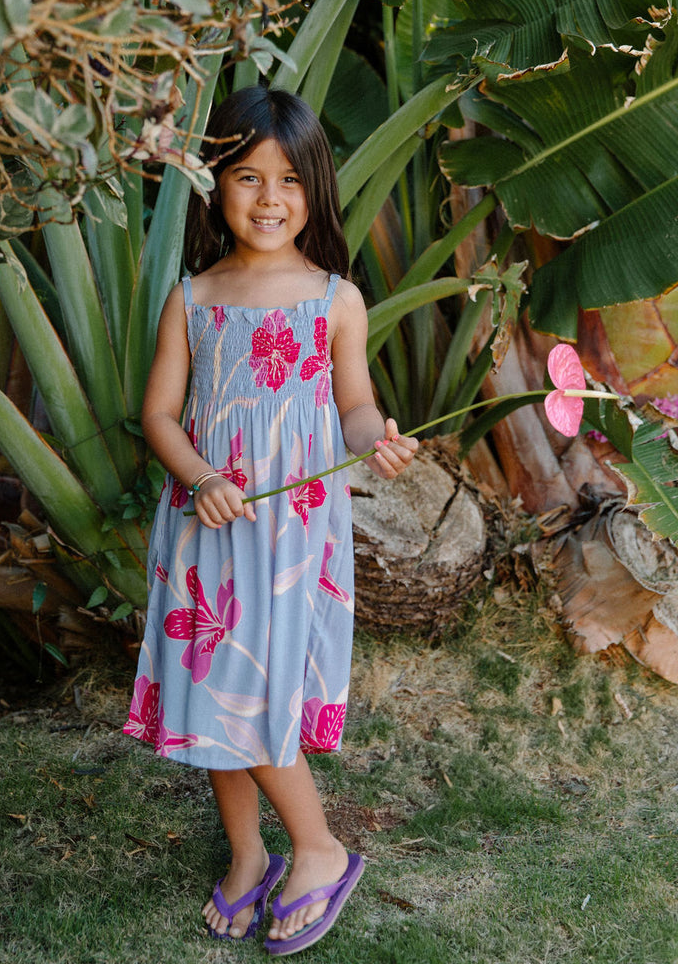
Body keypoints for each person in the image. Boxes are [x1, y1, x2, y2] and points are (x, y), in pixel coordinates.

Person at [124, 86, 417, 955]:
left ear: (314, 192)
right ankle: (252, 856)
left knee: (252, 694)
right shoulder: (195, 296)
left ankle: (320, 850)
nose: (268, 199)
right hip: (207, 528)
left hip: (292, 540)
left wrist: (377, 442)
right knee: (219, 689)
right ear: (216, 185)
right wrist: (201, 474)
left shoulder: (335, 298)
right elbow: (159, 419)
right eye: (247, 177)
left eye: (288, 181)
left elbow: (355, 407)